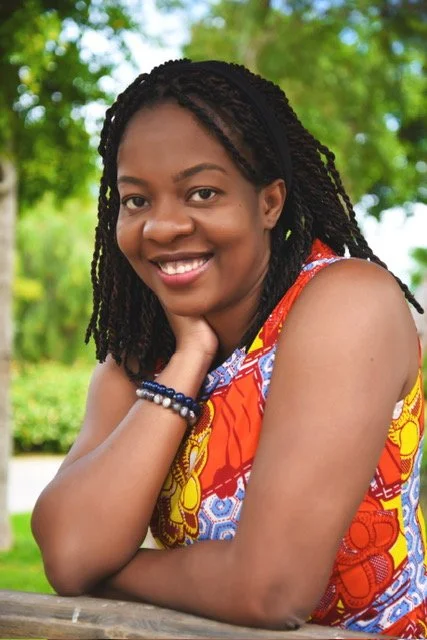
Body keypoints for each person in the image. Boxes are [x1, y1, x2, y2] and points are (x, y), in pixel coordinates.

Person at [31, 59, 426, 637]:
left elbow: (271, 590)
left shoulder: (347, 303)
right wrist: (188, 359)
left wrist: (109, 572)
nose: (162, 227)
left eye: (202, 193)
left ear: (269, 203)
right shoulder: (140, 361)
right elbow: (68, 552)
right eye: (136, 200)